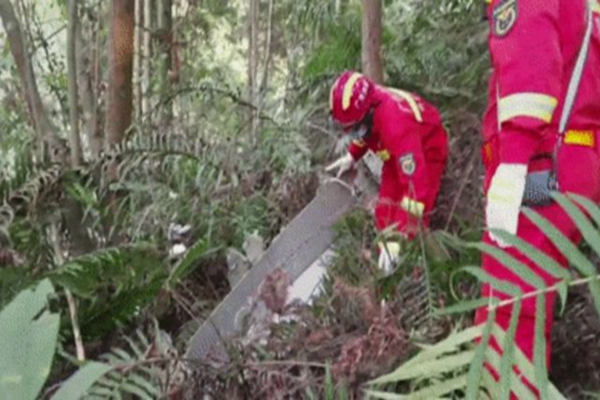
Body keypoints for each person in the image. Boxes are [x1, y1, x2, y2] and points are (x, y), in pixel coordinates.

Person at [475, 0, 600, 396]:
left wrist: (512, 161)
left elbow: (530, 54)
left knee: (510, 313)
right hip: (576, 155)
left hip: (541, 166)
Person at [326, 71, 448, 273]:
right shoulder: (370, 109)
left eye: (352, 128)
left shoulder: (396, 125)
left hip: (427, 152)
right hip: (394, 155)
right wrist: (352, 156)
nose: (349, 133)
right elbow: (366, 134)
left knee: (414, 215)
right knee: (384, 210)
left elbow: (416, 189)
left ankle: (415, 267)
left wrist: (400, 237)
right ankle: (387, 263)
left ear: (366, 116)